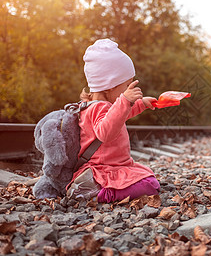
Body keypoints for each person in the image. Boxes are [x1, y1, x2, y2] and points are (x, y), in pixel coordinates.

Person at [66, 39, 160, 203]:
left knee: (147, 175)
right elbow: (105, 133)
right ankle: (97, 193)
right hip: (105, 168)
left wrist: (141, 104)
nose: (129, 88)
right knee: (150, 184)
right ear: (110, 85)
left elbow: (119, 116)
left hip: (114, 165)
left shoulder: (93, 106)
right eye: (126, 85)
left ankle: (94, 187)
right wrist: (124, 101)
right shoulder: (99, 108)